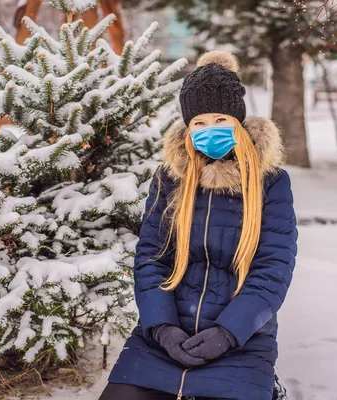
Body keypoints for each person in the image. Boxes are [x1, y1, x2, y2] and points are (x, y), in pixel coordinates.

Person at [100, 51, 298, 400]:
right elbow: (151, 258)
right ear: (188, 127)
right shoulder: (169, 178)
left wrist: (227, 333)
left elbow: (273, 270)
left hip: (240, 340)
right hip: (164, 337)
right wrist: (161, 328)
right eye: (199, 123)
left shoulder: (270, 183)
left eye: (221, 119)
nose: (210, 131)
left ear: (238, 122)